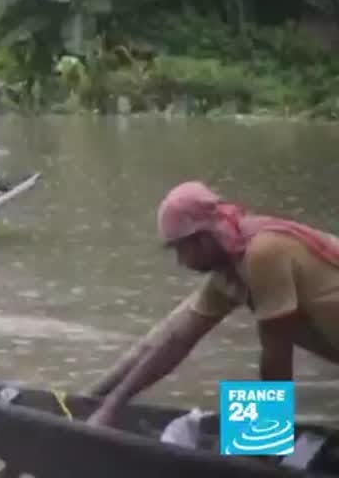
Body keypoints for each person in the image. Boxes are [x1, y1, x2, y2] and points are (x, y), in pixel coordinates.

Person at [87, 181, 339, 428]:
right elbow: (172, 341)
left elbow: (276, 357)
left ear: (204, 238)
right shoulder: (229, 273)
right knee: (243, 424)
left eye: (181, 249)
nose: (181, 261)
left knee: (253, 426)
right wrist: (100, 400)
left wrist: (262, 442)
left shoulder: (263, 253)